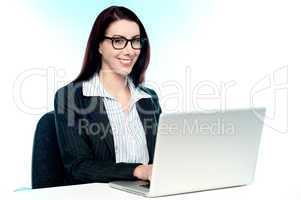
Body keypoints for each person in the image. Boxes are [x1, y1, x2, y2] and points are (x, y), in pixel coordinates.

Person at [54, 6, 161, 185]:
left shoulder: (148, 98)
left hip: (146, 193)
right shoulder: (70, 97)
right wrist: (138, 170)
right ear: (99, 45)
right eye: (118, 41)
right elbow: (78, 167)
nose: (130, 51)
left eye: (135, 41)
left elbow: (162, 157)